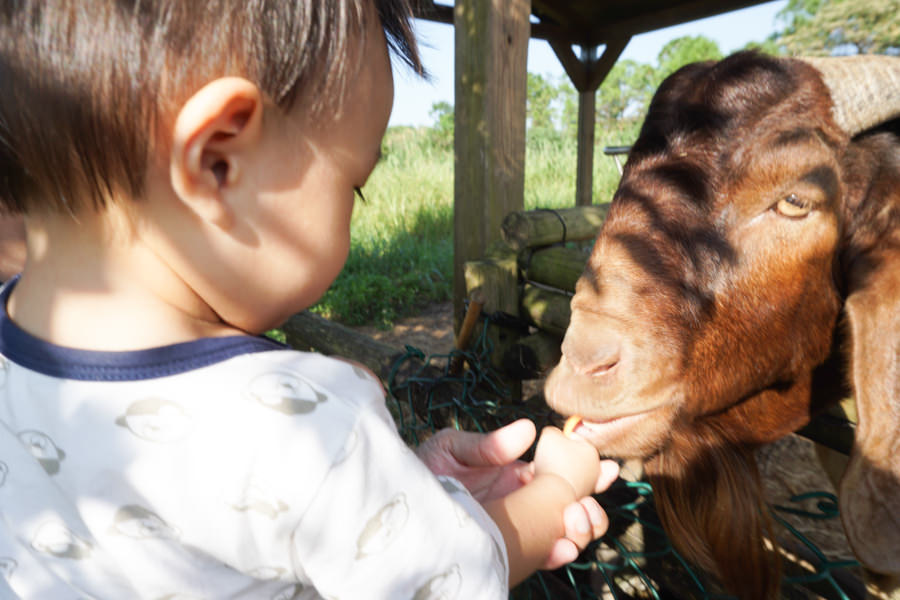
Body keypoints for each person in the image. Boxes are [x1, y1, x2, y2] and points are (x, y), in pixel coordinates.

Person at [0, 1, 620, 598]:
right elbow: (452, 578)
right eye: (354, 187)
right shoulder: (298, 425)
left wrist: (391, 495)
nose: (348, 221)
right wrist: (557, 486)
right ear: (219, 161)